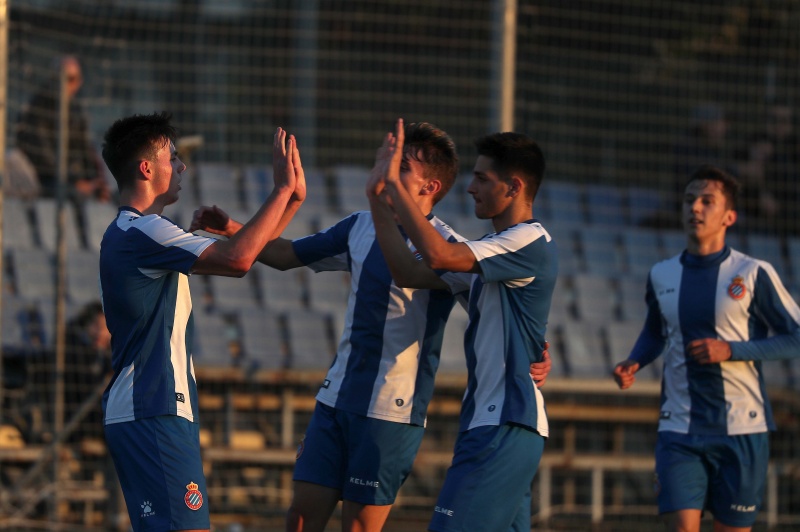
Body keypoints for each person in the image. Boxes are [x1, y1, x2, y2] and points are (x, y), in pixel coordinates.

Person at [189, 121, 552, 532]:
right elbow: (288, 254)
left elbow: (495, 309)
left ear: (429, 187)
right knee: (301, 518)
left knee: (359, 527)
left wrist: (537, 349)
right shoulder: (360, 225)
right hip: (337, 396)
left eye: (401, 170)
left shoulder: (447, 249)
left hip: (391, 410)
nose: (388, 175)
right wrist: (236, 230)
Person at [99, 111, 305, 532]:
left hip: (150, 408)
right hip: (152, 407)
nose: (181, 166)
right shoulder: (144, 231)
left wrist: (291, 199)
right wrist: (281, 189)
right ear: (146, 168)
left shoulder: (137, 232)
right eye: (172, 157)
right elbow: (239, 259)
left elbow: (248, 249)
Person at [367, 119, 556, 532]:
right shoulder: (487, 254)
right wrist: (380, 204)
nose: (471, 188)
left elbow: (436, 255)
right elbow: (408, 272)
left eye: (482, 179)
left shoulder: (528, 239)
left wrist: (395, 186)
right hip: (492, 423)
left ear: (514, 187)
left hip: (504, 423)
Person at [612, 165, 800, 532]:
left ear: (729, 216)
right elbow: (655, 332)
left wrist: (732, 350)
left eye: (706, 201)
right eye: (688, 200)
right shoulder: (662, 274)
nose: (694, 208)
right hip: (679, 427)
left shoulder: (753, 273)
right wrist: (635, 360)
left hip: (742, 429)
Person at [15, 55, 109, 202]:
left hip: (69, 177)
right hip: (44, 178)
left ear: (79, 82)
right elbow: (42, 155)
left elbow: (85, 149)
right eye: (62, 78)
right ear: (53, 79)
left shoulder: (76, 110)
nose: (67, 84)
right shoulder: (39, 108)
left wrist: (95, 179)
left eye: (72, 79)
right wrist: (74, 183)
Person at [64, 300, 112, 443]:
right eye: (96, 326)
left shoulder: (113, 357)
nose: (100, 333)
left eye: (105, 328)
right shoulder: (75, 356)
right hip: (79, 427)